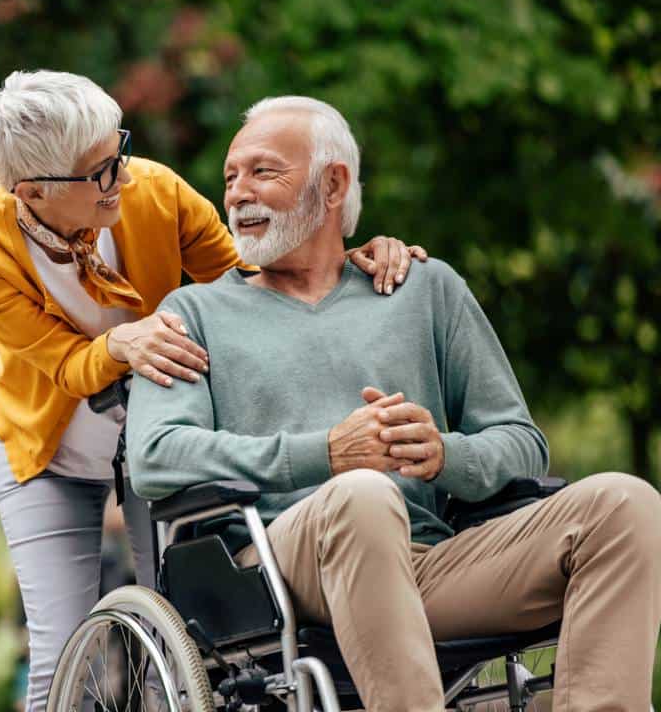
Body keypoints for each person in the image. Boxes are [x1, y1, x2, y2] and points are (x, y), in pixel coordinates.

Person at [125, 94, 661, 711]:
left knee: (626, 505)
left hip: (429, 562)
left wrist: (444, 456)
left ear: (332, 185)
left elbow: (520, 441)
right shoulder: (192, 314)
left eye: (262, 171)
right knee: (363, 494)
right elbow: (157, 458)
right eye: (230, 177)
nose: (237, 193)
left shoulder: (423, 288)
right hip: (275, 567)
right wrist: (325, 454)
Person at [0, 70, 426, 711]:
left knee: (188, 641)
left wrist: (350, 257)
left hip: (163, 439)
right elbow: (59, 364)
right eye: (101, 170)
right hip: (46, 454)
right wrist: (121, 344)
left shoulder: (156, 192)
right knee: (60, 658)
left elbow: (256, 279)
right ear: (32, 191)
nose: (124, 174)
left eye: (121, 150)